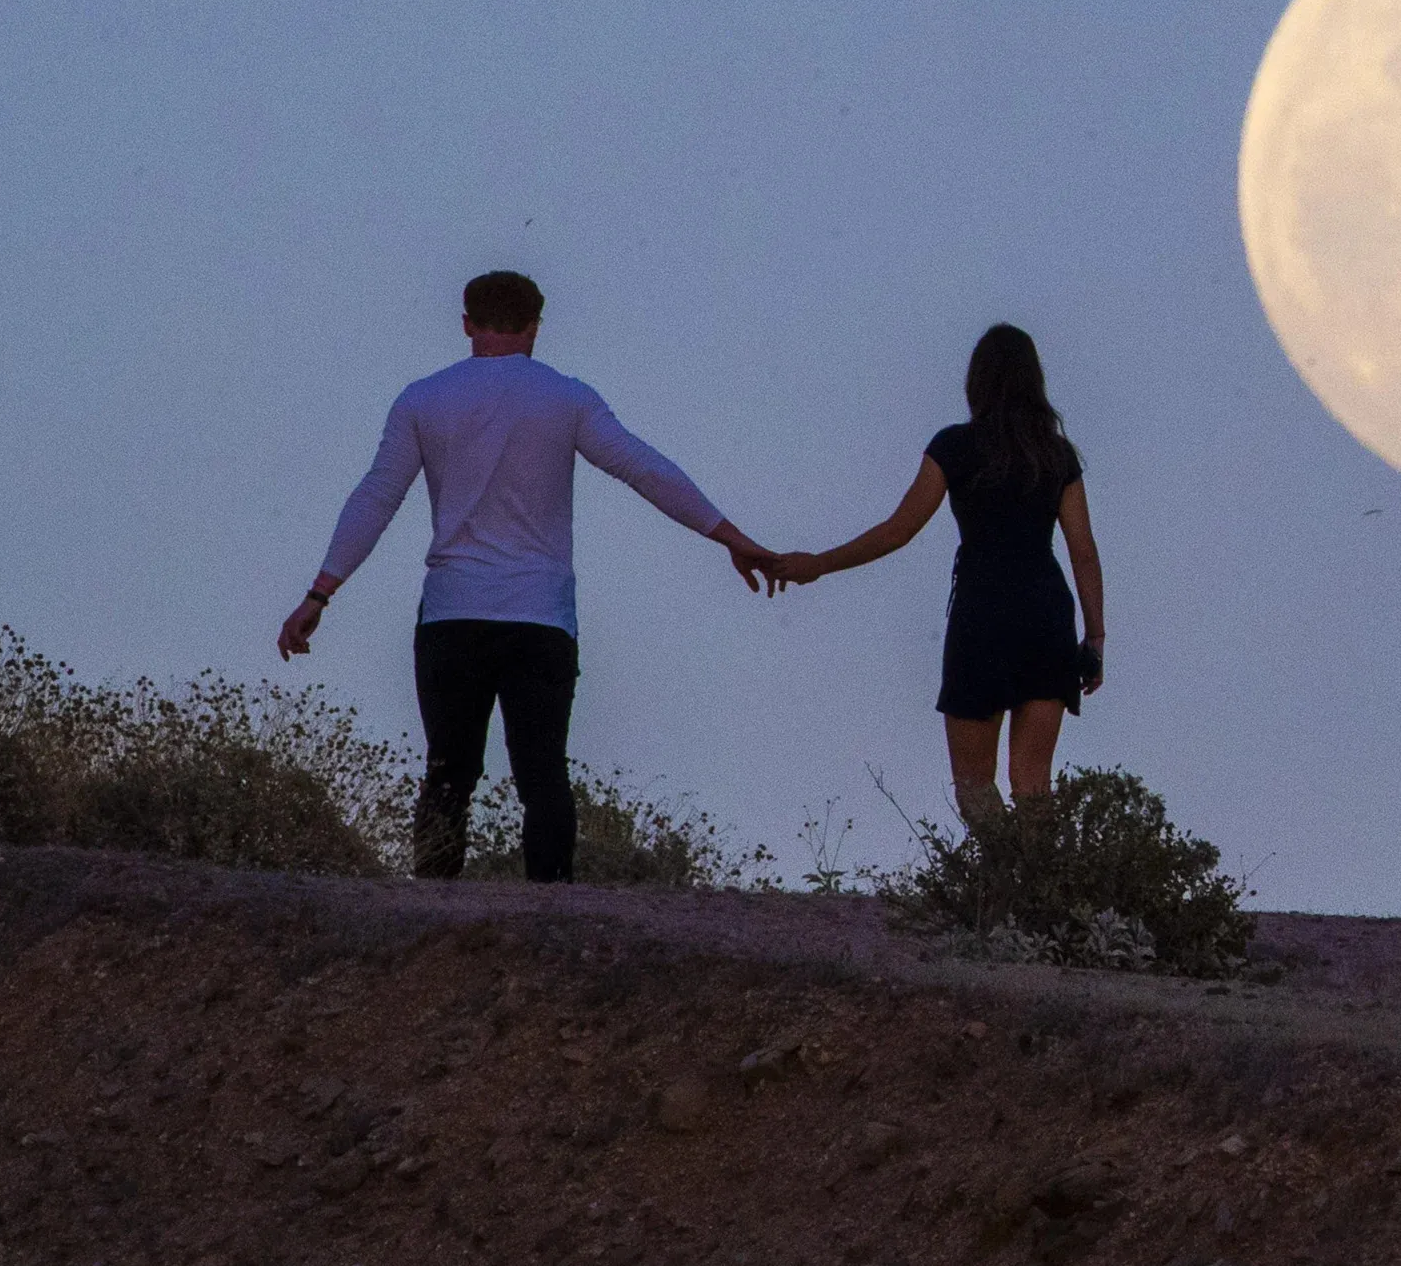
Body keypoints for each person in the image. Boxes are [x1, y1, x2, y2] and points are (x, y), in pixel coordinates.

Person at [275, 271, 781, 882]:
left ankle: (433, 915)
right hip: (539, 617)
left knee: (448, 773)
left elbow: (376, 497)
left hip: (451, 615)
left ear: (466, 323)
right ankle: (552, 917)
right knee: (542, 774)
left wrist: (320, 592)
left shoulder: (423, 399)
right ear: (536, 325)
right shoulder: (565, 397)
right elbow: (644, 469)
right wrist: (731, 537)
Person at [777, 323, 1103, 832]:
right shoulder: (1057, 457)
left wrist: (820, 563)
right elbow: (1083, 552)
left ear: (977, 381)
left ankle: (1005, 886)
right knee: (1033, 785)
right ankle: (1037, 898)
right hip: (1046, 617)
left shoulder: (954, 448)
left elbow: (898, 530)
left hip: (982, 618)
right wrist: (1096, 636)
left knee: (975, 786)